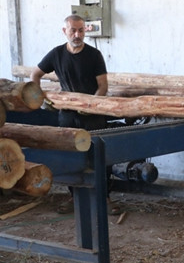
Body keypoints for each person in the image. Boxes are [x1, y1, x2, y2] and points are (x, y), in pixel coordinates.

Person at [30, 14, 119, 215]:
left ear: (85, 31)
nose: (77, 35)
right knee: (71, 157)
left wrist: (91, 105)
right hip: (68, 116)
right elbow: (35, 75)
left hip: (94, 116)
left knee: (100, 157)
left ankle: (105, 198)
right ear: (65, 31)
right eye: (73, 30)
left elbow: (102, 86)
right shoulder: (56, 54)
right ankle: (74, 196)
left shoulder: (94, 55)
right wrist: (40, 98)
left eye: (81, 30)